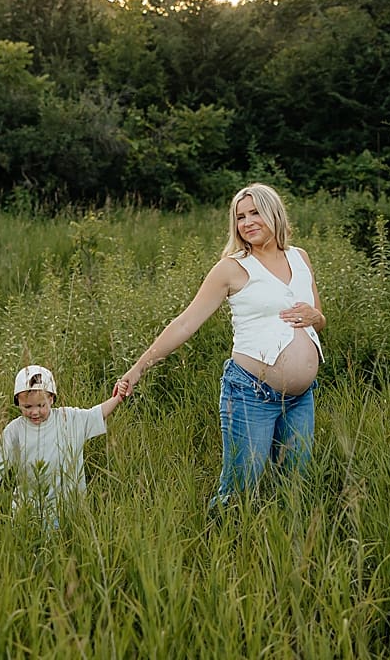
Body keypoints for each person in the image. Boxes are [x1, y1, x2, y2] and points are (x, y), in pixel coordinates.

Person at [115, 183, 326, 508]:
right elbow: (185, 323)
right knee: (239, 492)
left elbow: (318, 318)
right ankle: (224, 548)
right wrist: (139, 366)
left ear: (275, 212)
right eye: (240, 216)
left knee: (296, 487)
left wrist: (315, 316)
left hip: (300, 399)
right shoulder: (232, 267)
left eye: (255, 212)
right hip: (251, 394)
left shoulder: (300, 258)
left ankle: (293, 552)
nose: (247, 222)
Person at [0, 364, 122, 525]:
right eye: (27, 407)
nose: (34, 412)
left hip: (67, 507)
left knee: (62, 544)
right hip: (28, 508)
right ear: (17, 402)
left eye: (41, 405)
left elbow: (96, 414)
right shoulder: (15, 430)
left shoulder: (68, 418)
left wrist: (118, 397)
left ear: (52, 399)